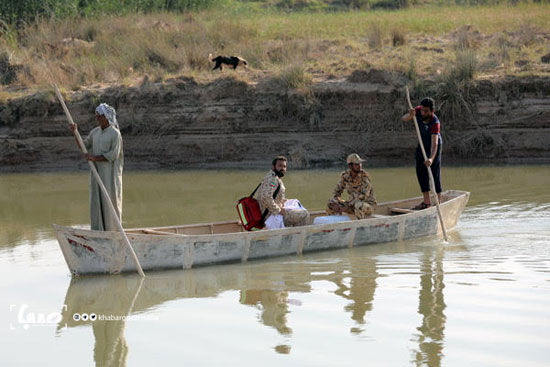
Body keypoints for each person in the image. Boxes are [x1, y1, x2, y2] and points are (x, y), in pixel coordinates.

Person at [69, 103, 124, 230]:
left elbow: (113, 155)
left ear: (107, 117)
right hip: (97, 174)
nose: (98, 119)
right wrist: (75, 133)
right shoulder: (95, 132)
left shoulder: (115, 134)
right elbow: (83, 145)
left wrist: (94, 158)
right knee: (97, 201)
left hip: (109, 177)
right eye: (97, 116)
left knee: (110, 202)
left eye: (100, 116)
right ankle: (99, 230)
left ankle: (113, 231)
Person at [401, 97, 442, 210]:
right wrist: (410, 114)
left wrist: (431, 159)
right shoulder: (418, 110)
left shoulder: (435, 122)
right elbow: (404, 119)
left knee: (434, 173)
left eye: (426, 111)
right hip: (422, 144)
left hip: (433, 146)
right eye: (422, 110)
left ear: (432, 111)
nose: (423, 113)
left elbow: (435, 144)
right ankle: (427, 202)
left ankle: (438, 202)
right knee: (421, 172)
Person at [256, 156, 310, 228]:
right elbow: (265, 197)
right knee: (305, 214)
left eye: (284, 166)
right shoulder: (273, 180)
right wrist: (279, 210)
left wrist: (283, 201)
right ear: (273, 167)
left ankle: (291, 234)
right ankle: (297, 238)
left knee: (296, 203)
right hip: (271, 216)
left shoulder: (272, 177)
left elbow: (272, 195)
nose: (282, 168)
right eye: (280, 166)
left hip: (270, 212)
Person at [326, 153, 377, 219]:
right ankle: (334, 224)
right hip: (352, 205)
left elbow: (363, 196)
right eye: (356, 164)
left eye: (360, 163)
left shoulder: (364, 177)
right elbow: (336, 192)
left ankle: (360, 227)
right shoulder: (345, 176)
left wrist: (346, 207)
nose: (359, 166)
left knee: (359, 205)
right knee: (331, 203)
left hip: (367, 205)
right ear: (350, 166)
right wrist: (337, 204)